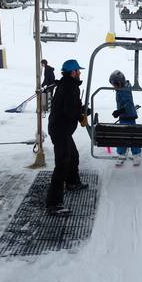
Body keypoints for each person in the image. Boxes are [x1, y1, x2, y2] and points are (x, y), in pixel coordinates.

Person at [46, 59, 89, 215]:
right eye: (78, 71)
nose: (80, 73)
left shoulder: (67, 85)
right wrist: (81, 113)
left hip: (61, 128)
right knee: (62, 164)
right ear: (73, 72)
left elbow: (71, 106)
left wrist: (82, 110)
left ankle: (72, 182)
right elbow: (70, 111)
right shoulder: (70, 87)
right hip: (60, 130)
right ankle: (53, 203)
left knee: (73, 156)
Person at [109, 70, 141, 166]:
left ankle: (136, 154)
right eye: (113, 84)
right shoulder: (121, 88)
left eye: (115, 84)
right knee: (123, 135)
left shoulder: (125, 90)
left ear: (120, 82)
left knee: (130, 135)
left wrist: (119, 111)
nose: (114, 86)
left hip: (129, 116)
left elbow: (128, 104)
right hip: (124, 116)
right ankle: (122, 153)